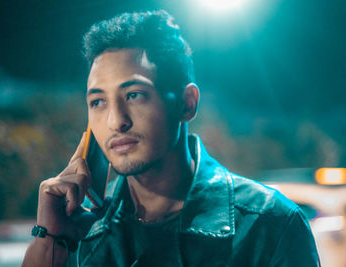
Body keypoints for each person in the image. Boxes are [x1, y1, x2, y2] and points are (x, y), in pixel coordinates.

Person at [22, 10, 320, 267]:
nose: (116, 121)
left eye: (134, 95)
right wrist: (49, 239)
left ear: (186, 103)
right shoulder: (85, 231)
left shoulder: (269, 225)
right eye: (97, 102)